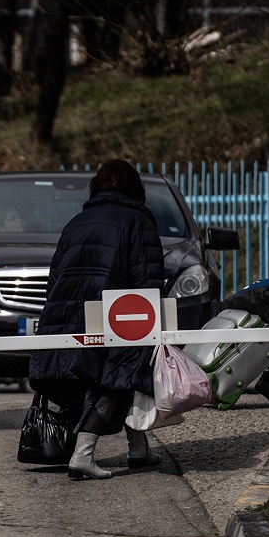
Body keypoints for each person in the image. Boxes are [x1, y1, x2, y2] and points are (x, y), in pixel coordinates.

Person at [28, 160, 164, 481]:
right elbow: (148, 280)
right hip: (116, 313)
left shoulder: (76, 222)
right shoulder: (138, 220)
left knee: (112, 375)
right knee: (116, 376)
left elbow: (55, 277)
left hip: (68, 313)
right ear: (135, 188)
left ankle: (138, 448)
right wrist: (151, 323)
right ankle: (83, 455)